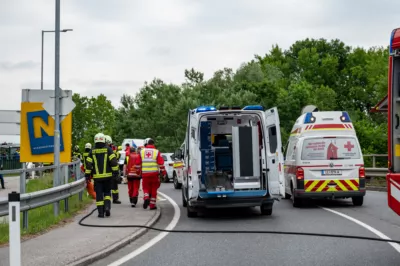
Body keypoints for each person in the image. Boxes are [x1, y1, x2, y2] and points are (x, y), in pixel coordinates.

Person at [85, 133, 119, 218]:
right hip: (108, 177)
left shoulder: (91, 151)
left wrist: (87, 175)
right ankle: (107, 207)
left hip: (97, 178)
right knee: (107, 193)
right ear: (103, 140)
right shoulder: (109, 150)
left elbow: (88, 165)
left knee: (99, 195)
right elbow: (114, 162)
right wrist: (116, 173)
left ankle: (100, 213)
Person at [136, 138, 166, 210]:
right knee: (153, 189)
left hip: (145, 174)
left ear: (147, 144)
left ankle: (146, 197)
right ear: (153, 144)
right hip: (154, 174)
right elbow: (161, 164)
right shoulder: (156, 152)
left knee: (145, 187)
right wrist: (163, 173)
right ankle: (152, 205)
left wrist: (138, 172)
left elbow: (137, 163)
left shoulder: (142, 152)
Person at [105, 135, 121, 204]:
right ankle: (114, 199)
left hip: (107, 169)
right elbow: (115, 158)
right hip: (112, 169)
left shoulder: (111, 149)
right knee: (113, 185)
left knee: (113, 185)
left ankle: (112, 199)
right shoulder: (111, 150)